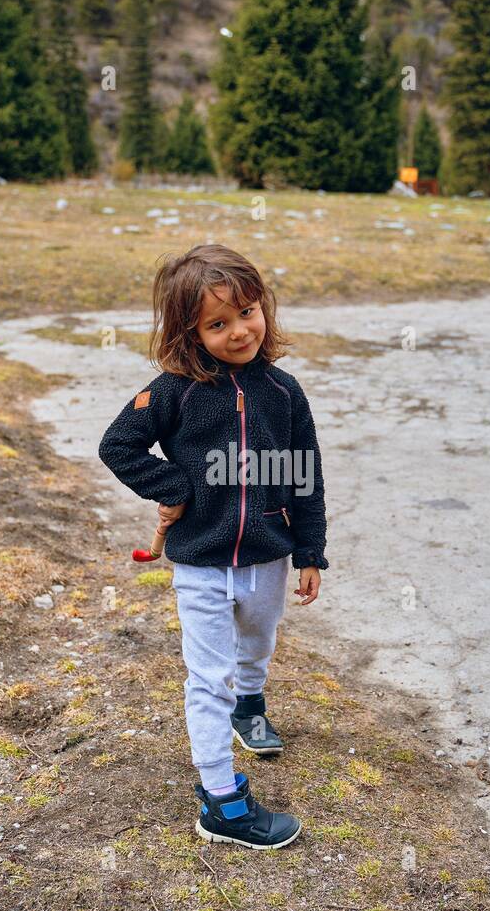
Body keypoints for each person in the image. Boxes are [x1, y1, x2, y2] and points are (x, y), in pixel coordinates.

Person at [98, 243, 329, 850]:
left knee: (258, 642)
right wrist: (176, 485)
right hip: (201, 563)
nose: (238, 331)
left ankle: (250, 705)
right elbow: (117, 445)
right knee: (208, 678)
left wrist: (310, 551)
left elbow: (306, 474)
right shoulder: (174, 391)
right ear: (189, 332)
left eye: (248, 313)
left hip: (269, 557)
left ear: (265, 309)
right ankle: (222, 801)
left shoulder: (284, 393)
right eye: (217, 323)